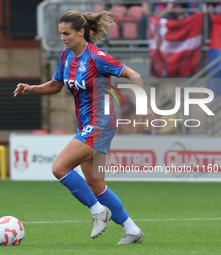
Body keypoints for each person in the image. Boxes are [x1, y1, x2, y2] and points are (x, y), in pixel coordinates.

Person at [13, 10, 153, 244]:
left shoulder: (97, 56)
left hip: (101, 124)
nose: (63, 38)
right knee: (96, 185)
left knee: (59, 168)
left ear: (81, 32)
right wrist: (31, 88)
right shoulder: (66, 56)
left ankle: (98, 212)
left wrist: (143, 106)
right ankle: (133, 230)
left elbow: (134, 74)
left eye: (67, 33)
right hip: (86, 125)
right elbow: (56, 85)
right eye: (60, 34)